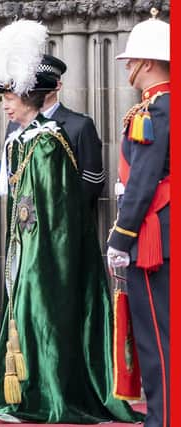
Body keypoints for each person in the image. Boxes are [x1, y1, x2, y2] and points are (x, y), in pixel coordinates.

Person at [0, 20, 143, 424]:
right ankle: (24, 391)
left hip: (55, 242)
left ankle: (46, 394)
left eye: (9, 95)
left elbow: (80, 187)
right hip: (28, 240)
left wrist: (51, 236)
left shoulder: (57, 135)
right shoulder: (23, 136)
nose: (4, 104)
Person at [107, 9, 170, 427]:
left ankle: (163, 418)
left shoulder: (155, 111)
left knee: (156, 338)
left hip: (155, 238)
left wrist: (120, 238)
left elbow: (144, 182)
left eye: (132, 59)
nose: (128, 65)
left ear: (146, 62)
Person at [4, 54, 105, 212]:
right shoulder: (14, 126)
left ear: (57, 85)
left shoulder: (79, 125)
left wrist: (63, 219)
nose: (34, 88)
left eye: (40, 82)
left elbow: (92, 181)